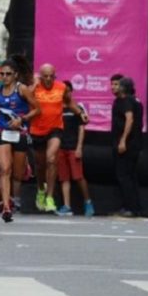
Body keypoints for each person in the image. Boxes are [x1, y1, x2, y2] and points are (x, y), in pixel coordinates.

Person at [0, 56, 38, 223]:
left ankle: (16, 198)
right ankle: (6, 206)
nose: (4, 77)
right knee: (5, 169)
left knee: (17, 173)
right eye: (2, 73)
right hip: (2, 131)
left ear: (15, 75)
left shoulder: (22, 89)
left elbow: (37, 109)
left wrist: (22, 119)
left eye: (8, 74)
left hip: (20, 132)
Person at [31, 64, 74, 213]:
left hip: (55, 129)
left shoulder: (61, 87)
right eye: (45, 76)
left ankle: (50, 197)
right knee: (40, 165)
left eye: (51, 76)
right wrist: (34, 85)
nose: (48, 79)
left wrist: (80, 113)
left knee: (51, 159)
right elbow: (25, 99)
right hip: (37, 130)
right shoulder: (35, 87)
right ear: (40, 76)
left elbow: (70, 101)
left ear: (55, 76)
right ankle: (40, 190)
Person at [57, 81, 93, 217]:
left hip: (73, 147)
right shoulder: (57, 107)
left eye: (68, 91)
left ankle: (88, 202)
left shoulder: (78, 107)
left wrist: (79, 147)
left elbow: (82, 128)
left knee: (78, 177)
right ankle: (67, 206)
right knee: (64, 178)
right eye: (63, 91)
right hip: (60, 148)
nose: (65, 93)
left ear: (71, 92)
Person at [112, 76, 144, 217]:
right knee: (130, 176)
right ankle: (132, 206)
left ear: (123, 88)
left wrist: (123, 140)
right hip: (135, 144)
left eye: (117, 85)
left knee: (124, 176)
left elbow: (129, 120)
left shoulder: (126, 101)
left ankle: (130, 208)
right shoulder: (136, 101)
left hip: (128, 145)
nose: (114, 87)